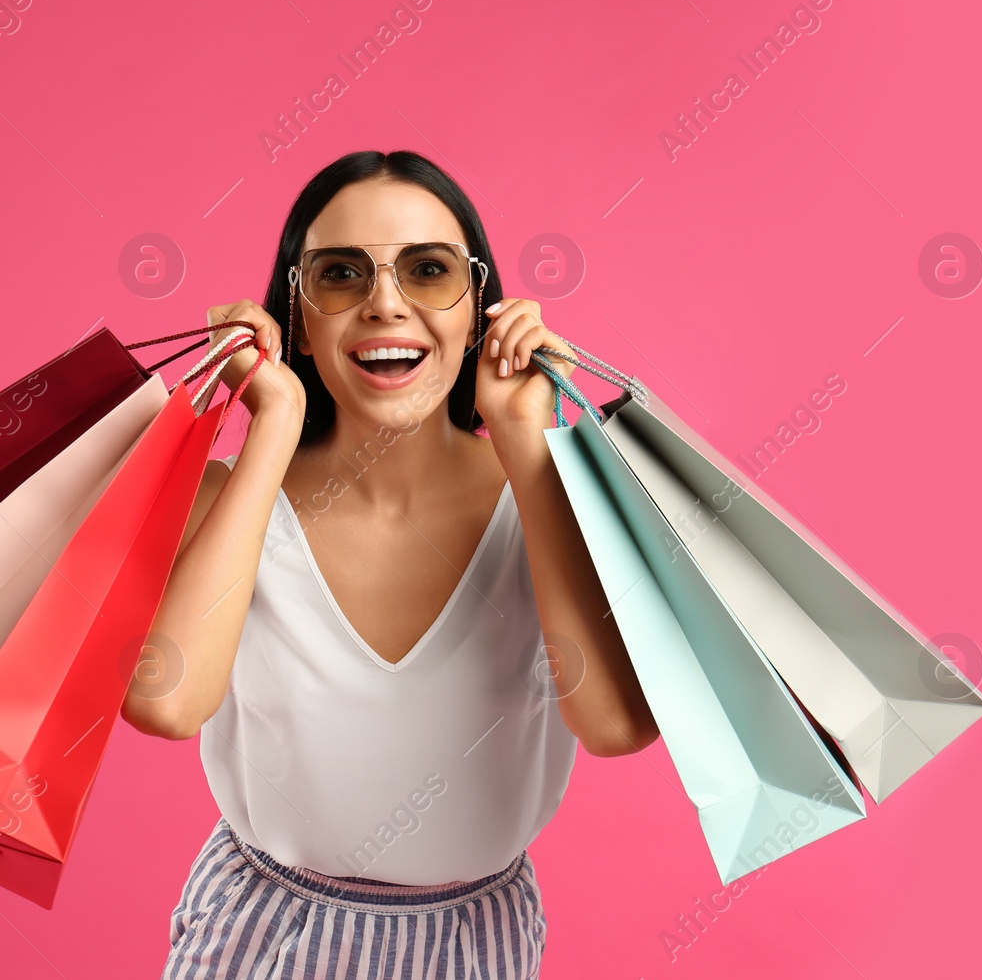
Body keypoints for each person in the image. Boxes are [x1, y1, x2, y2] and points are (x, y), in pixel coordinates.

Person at [122, 149, 657, 979]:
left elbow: (618, 725)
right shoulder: (233, 497)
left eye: (429, 270)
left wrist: (525, 438)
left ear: (480, 307)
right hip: (260, 927)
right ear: (295, 315)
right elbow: (165, 701)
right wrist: (271, 426)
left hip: (471, 940)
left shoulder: (549, 494)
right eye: (340, 274)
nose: (385, 304)